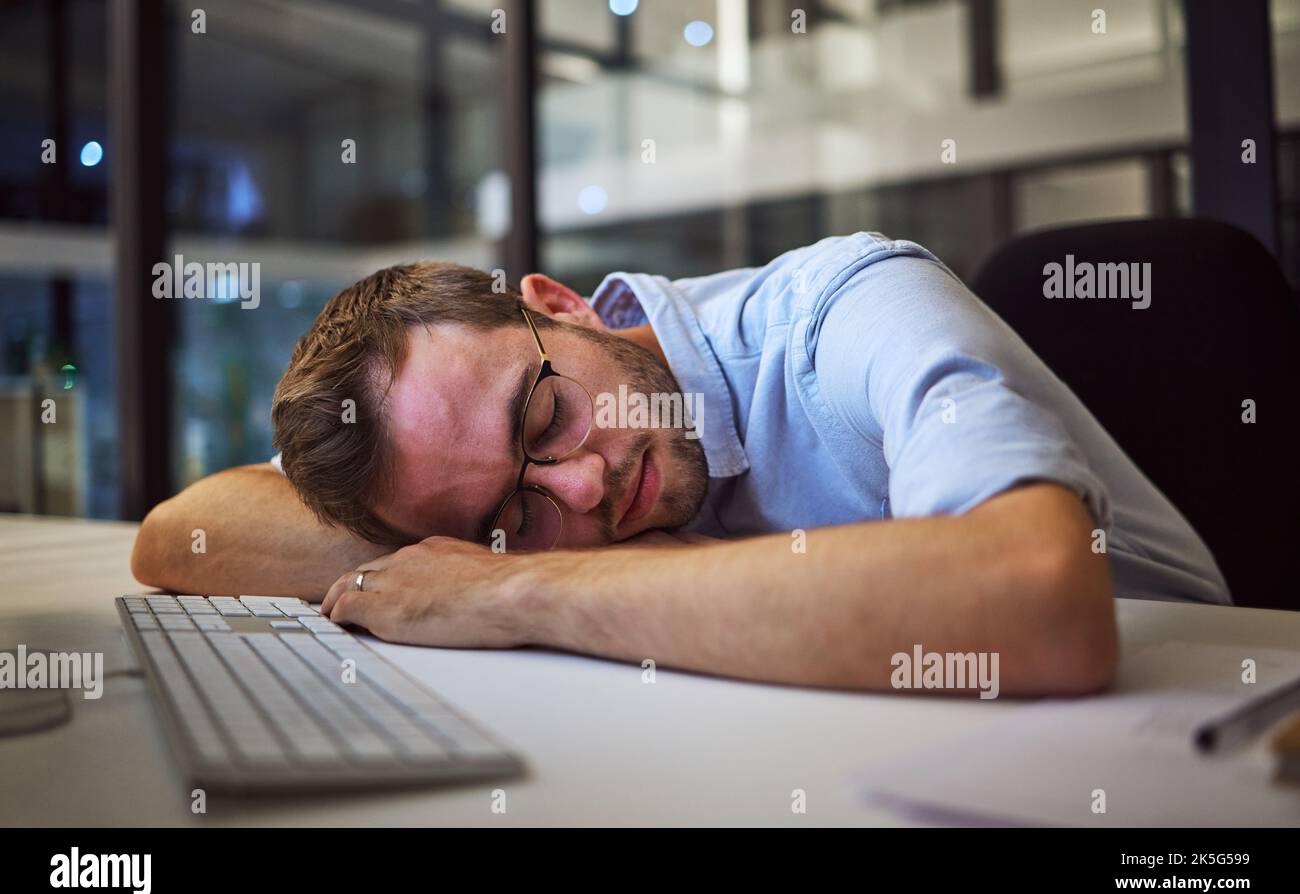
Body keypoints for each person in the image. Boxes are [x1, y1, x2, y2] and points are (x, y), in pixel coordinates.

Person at [131, 232, 1230, 695]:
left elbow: (1038, 603)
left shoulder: (843, 310)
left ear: (556, 304)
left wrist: (513, 580)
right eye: (508, 511)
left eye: (544, 413)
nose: (579, 487)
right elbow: (182, 531)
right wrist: (457, 543)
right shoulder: (476, 452)